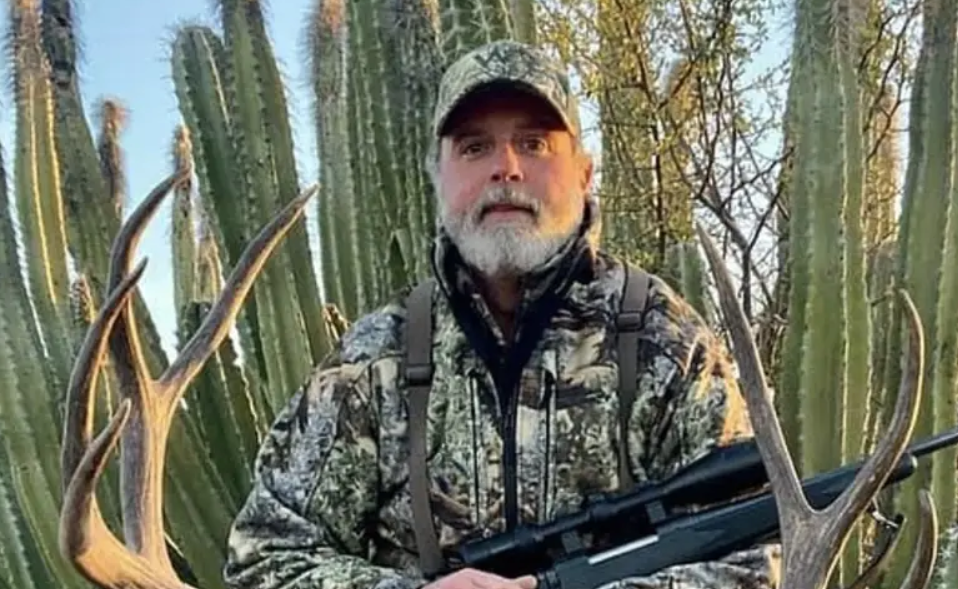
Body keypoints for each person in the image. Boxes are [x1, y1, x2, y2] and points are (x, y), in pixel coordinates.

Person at [222, 39, 780, 589]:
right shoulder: (375, 361)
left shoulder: (664, 338)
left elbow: (763, 554)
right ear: (437, 176)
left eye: (534, 144)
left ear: (584, 174)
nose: (506, 168)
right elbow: (264, 559)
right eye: (474, 147)